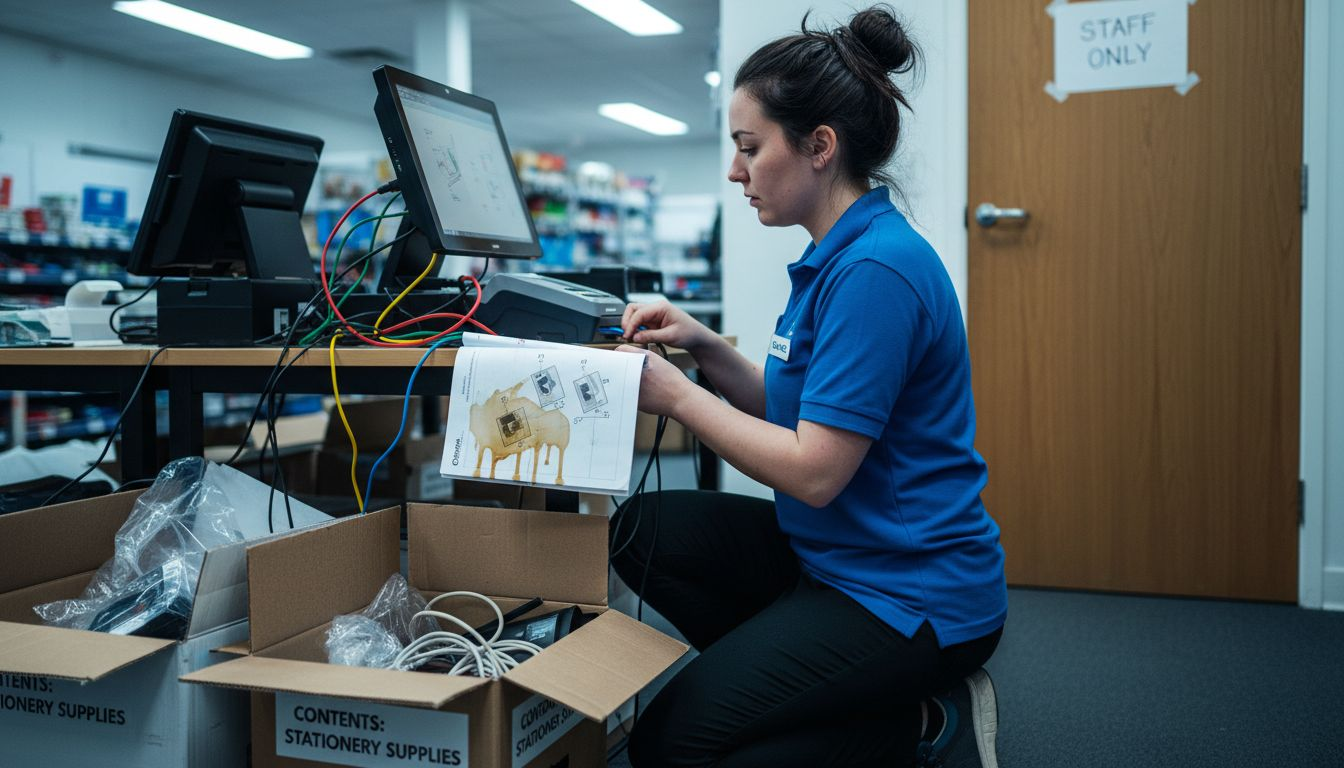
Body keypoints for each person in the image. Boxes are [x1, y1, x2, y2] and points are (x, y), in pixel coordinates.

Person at [611, 5, 1007, 767]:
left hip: (912, 596)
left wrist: (679, 398)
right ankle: (812, 691)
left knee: (671, 745)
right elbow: (801, 412)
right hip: (837, 561)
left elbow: (815, 471)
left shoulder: (874, 271)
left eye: (749, 149)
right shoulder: (836, 254)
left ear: (819, 146)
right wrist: (700, 347)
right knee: (643, 531)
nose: (736, 172)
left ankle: (922, 723)